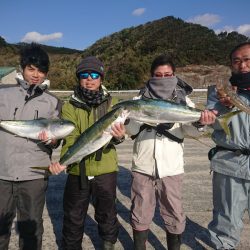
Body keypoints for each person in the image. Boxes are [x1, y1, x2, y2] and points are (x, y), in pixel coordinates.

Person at [125, 54, 215, 250]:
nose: (163, 79)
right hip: (143, 165)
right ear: (151, 76)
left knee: (173, 211)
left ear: (174, 74)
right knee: (140, 210)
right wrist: (134, 119)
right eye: (158, 75)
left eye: (168, 75)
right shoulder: (138, 100)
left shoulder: (184, 101)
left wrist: (201, 123)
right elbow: (130, 131)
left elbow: (188, 131)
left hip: (171, 167)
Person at [49, 56, 126, 250]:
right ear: (79, 78)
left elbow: (121, 134)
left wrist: (120, 136)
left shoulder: (113, 104)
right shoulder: (69, 106)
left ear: (101, 78)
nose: (89, 79)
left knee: (107, 214)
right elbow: (71, 138)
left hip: (105, 169)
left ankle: (109, 245)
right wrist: (63, 162)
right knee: (73, 217)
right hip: (77, 169)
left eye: (94, 75)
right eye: (84, 75)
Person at [0, 43, 62, 250]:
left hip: (34, 175)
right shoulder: (3, 93)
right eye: (31, 69)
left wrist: (52, 140)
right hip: (2, 172)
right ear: (22, 68)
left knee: (30, 230)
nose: (36, 75)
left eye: (41, 71)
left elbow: (57, 137)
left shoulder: (53, 101)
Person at [199, 42, 250, 249]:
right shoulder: (219, 91)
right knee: (225, 225)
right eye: (237, 61)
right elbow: (214, 125)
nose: (242, 65)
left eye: (247, 60)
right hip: (230, 164)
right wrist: (222, 105)